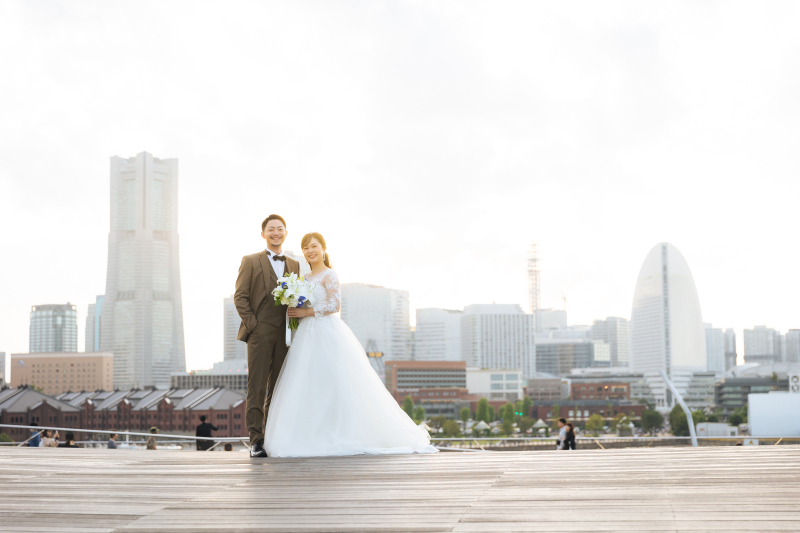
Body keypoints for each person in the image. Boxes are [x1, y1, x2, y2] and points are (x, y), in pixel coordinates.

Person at [263, 232, 436, 458]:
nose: (309, 251)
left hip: (326, 332)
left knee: (334, 384)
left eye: (313, 246)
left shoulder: (329, 274)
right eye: (305, 248)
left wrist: (306, 311)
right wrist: (294, 310)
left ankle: (340, 433)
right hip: (306, 335)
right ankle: (312, 435)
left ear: (323, 249)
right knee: (308, 385)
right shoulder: (302, 279)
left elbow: (334, 305)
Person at [235, 214, 301, 458]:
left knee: (279, 386)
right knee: (257, 386)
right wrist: (254, 325)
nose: (276, 232)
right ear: (263, 234)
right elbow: (239, 296)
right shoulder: (250, 260)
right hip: (260, 332)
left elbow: (296, 297)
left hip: (285, 332)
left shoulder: (294, 265)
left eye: (280, 229)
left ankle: (273, 436)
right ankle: (255, 440)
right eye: (271, 229)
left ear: (285, 233)